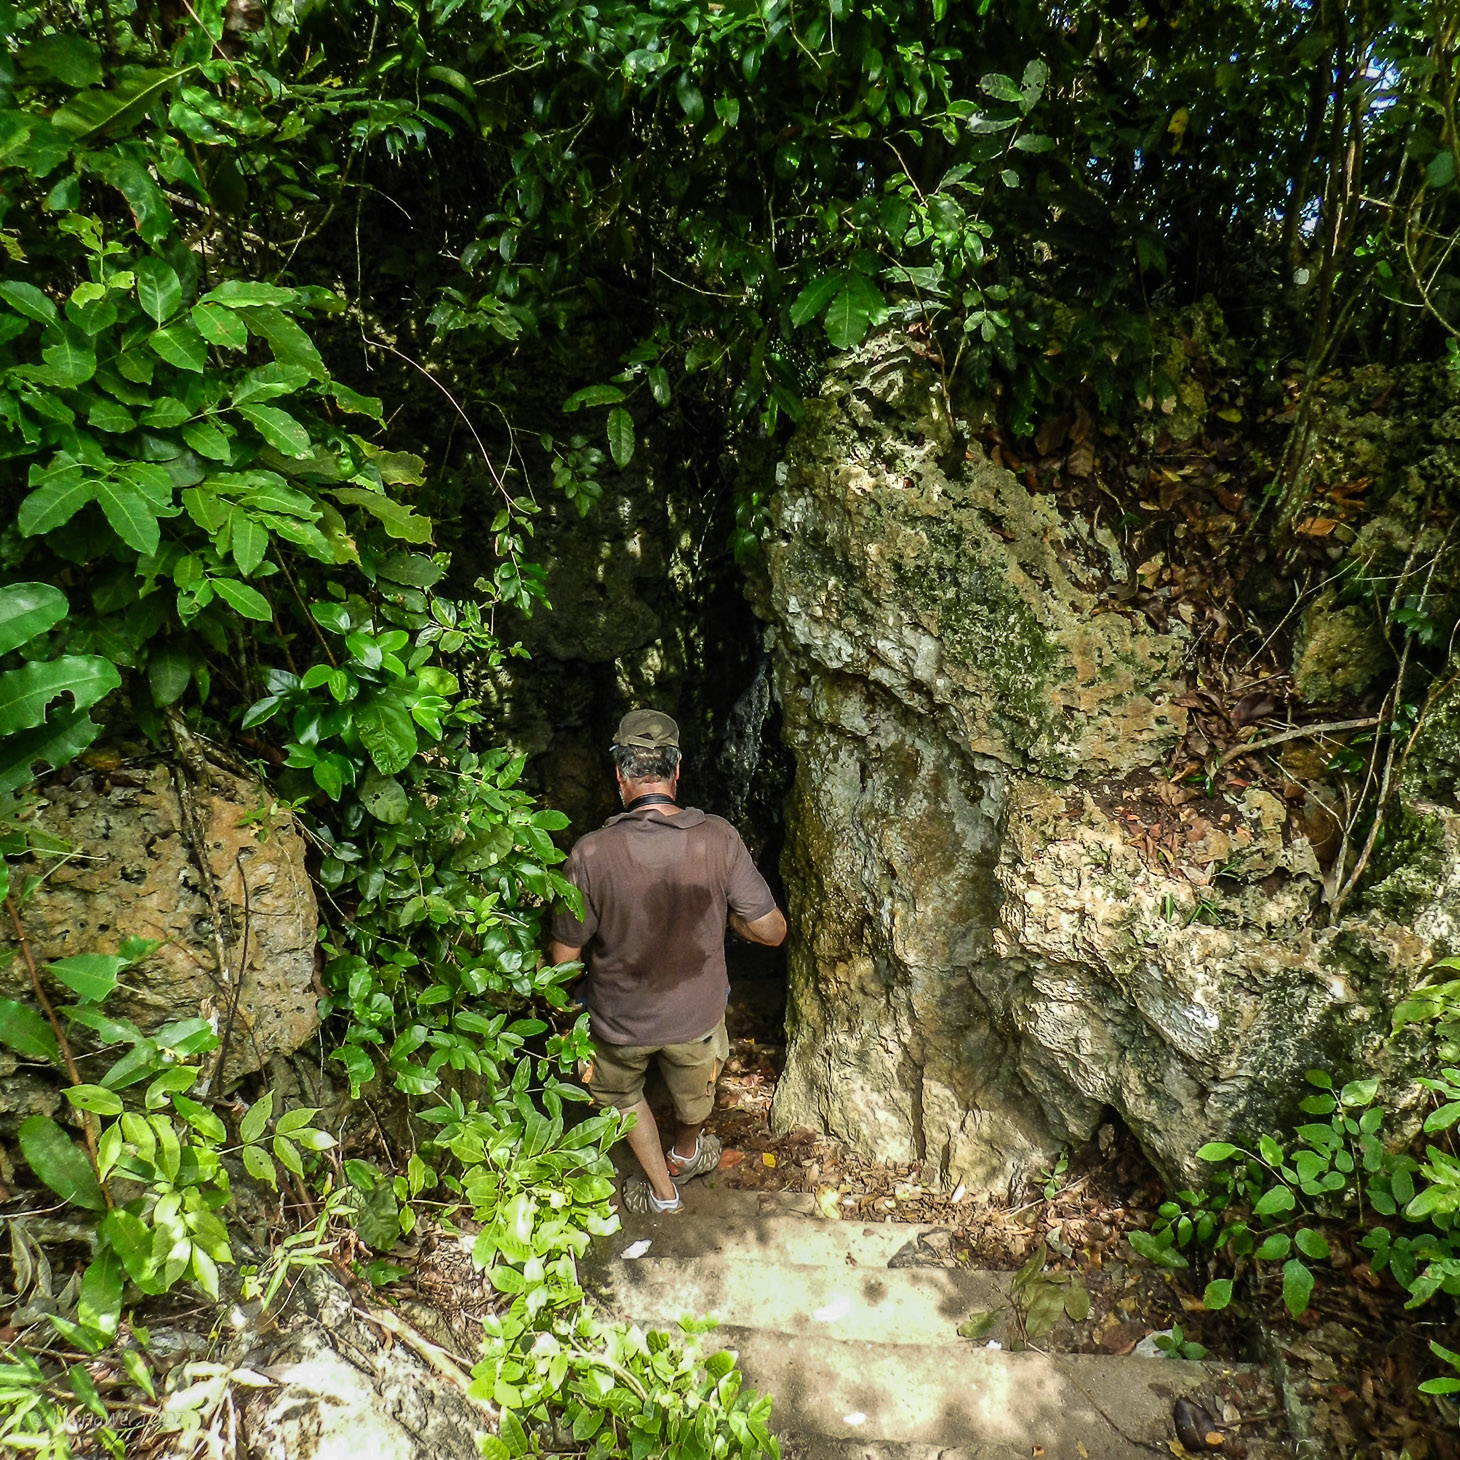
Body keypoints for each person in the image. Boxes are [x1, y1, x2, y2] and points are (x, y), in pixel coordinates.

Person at [546, 709, 787, 1214]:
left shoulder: (590, 854)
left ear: (620, 775)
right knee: (694, 1094)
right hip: (696, 1018)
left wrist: (568, 1011)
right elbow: (772, 931)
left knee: (621, 1096)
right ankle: (687, 1151)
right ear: (676, 770)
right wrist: (728, 918)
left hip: (619, 1022)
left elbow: (564, 958)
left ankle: (662, 1191)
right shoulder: (718, 838)